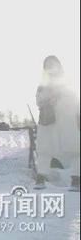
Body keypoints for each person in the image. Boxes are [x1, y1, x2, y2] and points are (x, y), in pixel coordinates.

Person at [34, 55, 80, 192]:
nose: (51, 67)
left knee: (76, 149)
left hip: (68, 120)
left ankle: (76, 180)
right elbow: (39, 101)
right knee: (45, 150)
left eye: (53, 64)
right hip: (49, 120)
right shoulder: (42, 85)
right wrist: (50, 96)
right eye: (48, 65)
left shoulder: (68, 82)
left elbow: (76, 100)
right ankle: (40, 178)